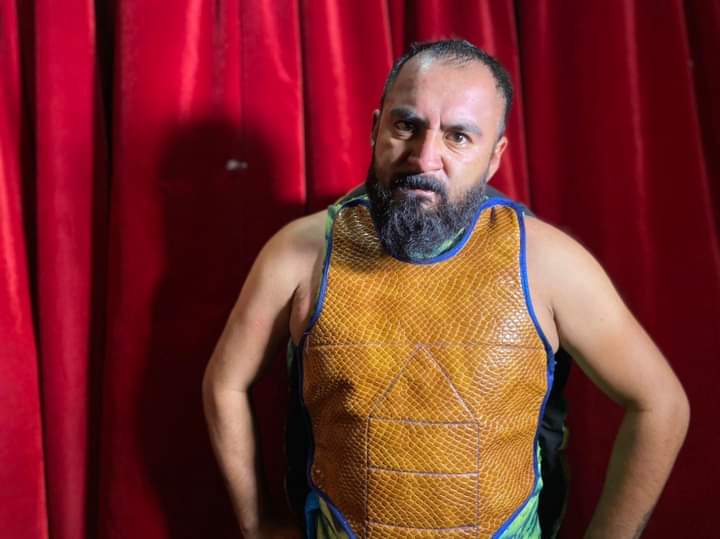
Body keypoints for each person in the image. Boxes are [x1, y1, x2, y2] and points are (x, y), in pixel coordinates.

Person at [202, 40, 689, 539]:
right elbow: (224, 383)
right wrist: (255, 525)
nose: (424, 158)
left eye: (458, 136)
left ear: (495, 156)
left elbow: (661, 406)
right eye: (406, 126)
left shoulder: (549, 263)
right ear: (375, 129)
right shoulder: (298, 253)